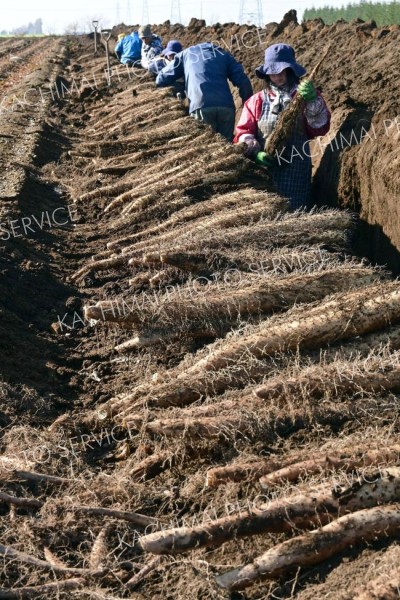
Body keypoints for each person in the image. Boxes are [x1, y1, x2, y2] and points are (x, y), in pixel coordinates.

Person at [234, 43, 331, 209]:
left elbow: (320, 127)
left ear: (290, 71)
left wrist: (313, 100)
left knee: (296, 211)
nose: (277, 76)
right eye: (272, 72)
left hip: (296, 168)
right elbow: (244, 131)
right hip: (266, 169)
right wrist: (256, 153)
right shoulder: (257, 100)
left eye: (281, 71)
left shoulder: (303, 97)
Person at [156, 42, 253, 141]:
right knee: (227, 147)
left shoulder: (186, 54)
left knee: (207, 146)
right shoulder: (223, 54)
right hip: (226, 107)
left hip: (200, 105)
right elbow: (243, 81)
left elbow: (162, 78)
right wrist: (248, 106)